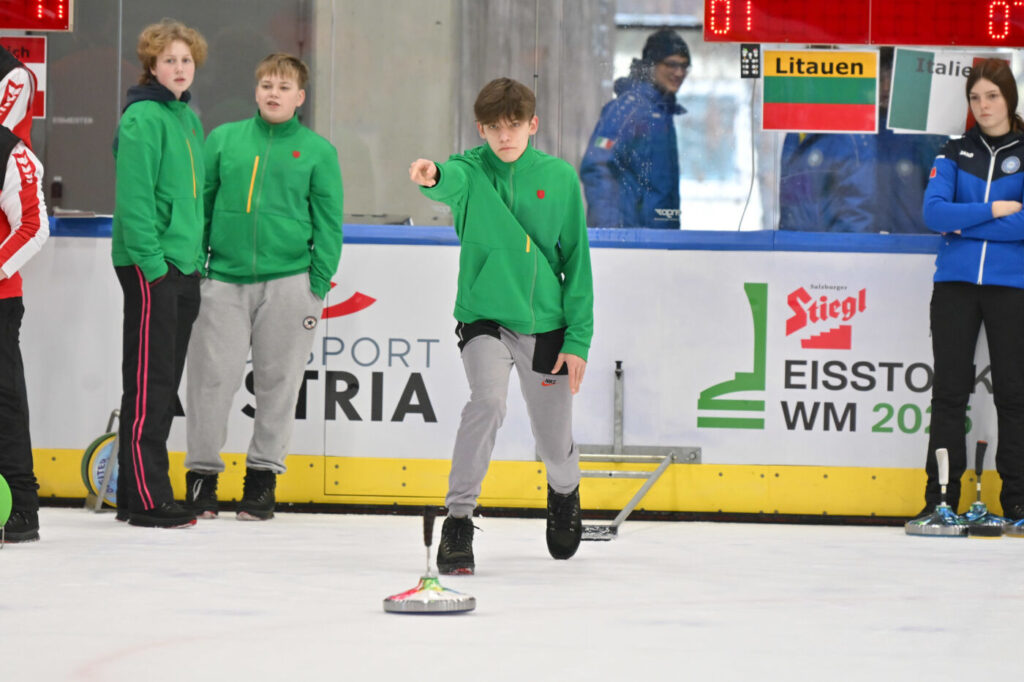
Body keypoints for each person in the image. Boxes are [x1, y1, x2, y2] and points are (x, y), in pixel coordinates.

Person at [409, 77, 594, 573]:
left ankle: (564, 491)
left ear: (533, 125)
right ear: (481, 129)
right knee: (487, 402)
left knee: (553, 441)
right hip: (483, 318)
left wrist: (578, 339)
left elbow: (577, 263)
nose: (504, 136)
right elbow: (447, 179)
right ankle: (458, 520)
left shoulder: (558, 178)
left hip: (546, 324)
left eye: (513, 125)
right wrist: (431, 175)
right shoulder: (471, 171)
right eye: (494, 127)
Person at [183, 53, 343, 521]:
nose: (274, 93)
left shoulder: (318, 151)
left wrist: (316, 283)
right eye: (267, 85)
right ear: (256, 91)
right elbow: (201, 207)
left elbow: (329, 225)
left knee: (279, 384)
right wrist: (197, 267)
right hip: (223, 280)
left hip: (290, 283)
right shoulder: (223, 139)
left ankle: (261, 481)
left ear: (300, 97)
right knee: (211, 382)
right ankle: (202, 478)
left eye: (284, 87)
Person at [111, 19, 207, 528]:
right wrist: (153, 265)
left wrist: (194, 257)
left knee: (163, 383)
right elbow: (135, 199)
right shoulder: (142, 118)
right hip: (153, 266)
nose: (179, 67)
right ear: (151, 65)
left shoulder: (186, 117)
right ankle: (150, 498)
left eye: (186, 60)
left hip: (183, 264)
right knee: (150, 383)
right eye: (169, 60)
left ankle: (135, 493)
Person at [919, 58, 1024, 520]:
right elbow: (934, 214)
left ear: (1009, 99)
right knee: (949, 394)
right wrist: (995, 209)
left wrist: (964, 224)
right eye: (975, 97)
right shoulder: (953, 151)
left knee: (1015, 395)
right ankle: (941, 500)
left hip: (1012, 288)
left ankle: (1017, 502)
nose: (984, 106)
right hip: (955, 287)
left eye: (992, 96)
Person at [0, 44, 48, 542]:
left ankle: (21, 507)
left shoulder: (10, 151)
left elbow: (33, 225)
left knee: (4, 402)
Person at [580, 29, 688, 229]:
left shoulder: (661, 113)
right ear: (651, 66)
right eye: (671, 64)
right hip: (633, 239)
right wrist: (612, 234)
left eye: (684, 66)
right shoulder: (629, 109)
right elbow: (598, 165)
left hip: (658, 239)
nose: (679, 73)